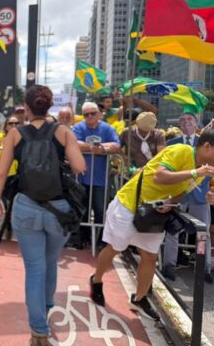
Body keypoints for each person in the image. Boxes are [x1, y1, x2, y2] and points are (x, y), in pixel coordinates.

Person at [0, 85, 85, 346]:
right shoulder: (63, 132)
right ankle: (46, 307)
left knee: (34, 268)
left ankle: (38, 331)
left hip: (26, 206)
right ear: (50, 105)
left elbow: (1, 172)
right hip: (59, 209)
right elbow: (80, 166)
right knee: (50, 262)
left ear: (27, 107)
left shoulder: (15, 133)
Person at [90, 132, 214, 319]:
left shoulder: (202, 170)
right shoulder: (182, 151)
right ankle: (96, 279)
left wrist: (171, 202)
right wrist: (196, 173)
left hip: (153, 213)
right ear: (207, 146)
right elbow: (159, 176)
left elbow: (183, 191)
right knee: (115, 248)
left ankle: (139, 299)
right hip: (129, 205)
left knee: (150, 256)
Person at [162, 113, 212, 283]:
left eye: (189, 119)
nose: (186, 122)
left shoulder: (205, 143)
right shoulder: (171, 144)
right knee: (173, 229)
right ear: (179, 124)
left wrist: (210, 189)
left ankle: (204, 267)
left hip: (200, 195)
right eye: (182, 120)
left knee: (203, 232)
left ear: (196, 123)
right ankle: (169, 265)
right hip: (179, 194)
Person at [73, 102, 121, 248]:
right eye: (86, 114)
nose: (90, 116)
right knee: (83, 209)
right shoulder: (79, 127)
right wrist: (95, 147)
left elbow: (116, 145)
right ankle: (84, 239)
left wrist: (103, 149)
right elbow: (74, 143)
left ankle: (101, 240)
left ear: (99, 114)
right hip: (81, 177)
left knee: (101, 210)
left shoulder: (107, 128)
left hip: (101, 178)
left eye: (93, 113)